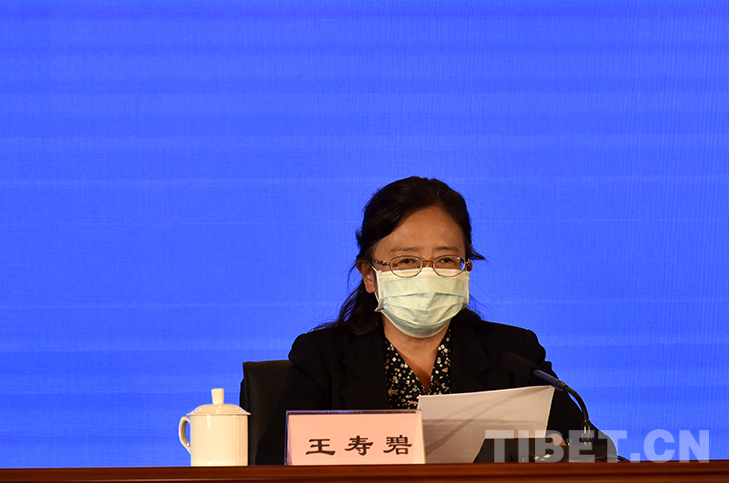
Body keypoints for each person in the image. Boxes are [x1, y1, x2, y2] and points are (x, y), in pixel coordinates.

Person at [255, 176, 602, 465]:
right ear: (369, 275)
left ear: (466, 268)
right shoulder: (322, 357)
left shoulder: (513, 354)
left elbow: (595, 452)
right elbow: (273, 461)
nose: (428, 275)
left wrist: (510, 453)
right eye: (406, 261)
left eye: (446, 260)